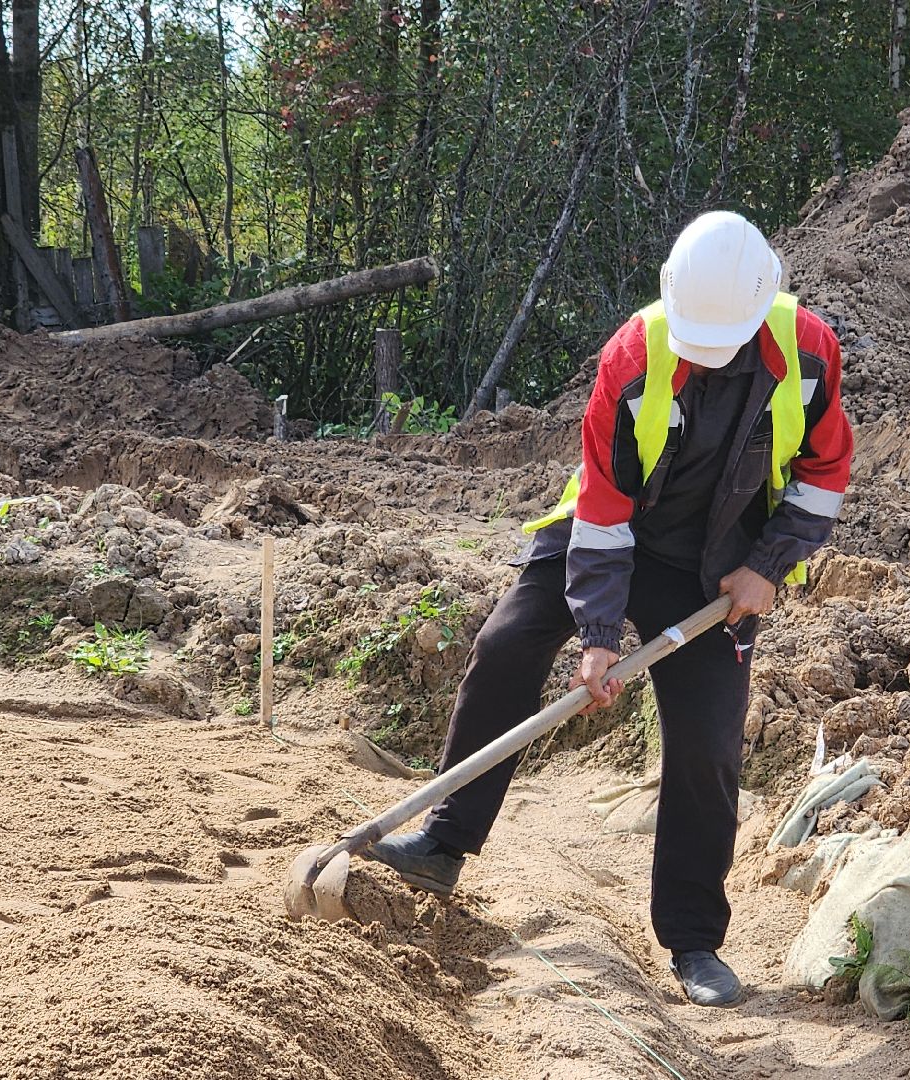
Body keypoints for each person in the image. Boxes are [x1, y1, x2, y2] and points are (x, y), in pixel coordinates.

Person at [362, 211, 855, 1007]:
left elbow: (825, 474)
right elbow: (601, 501)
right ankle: (445, 842)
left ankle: (694, 941)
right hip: (609, 528)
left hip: (718, 565)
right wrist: (596, 631)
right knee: (509, 642)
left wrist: (767, 567)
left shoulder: (809, 352)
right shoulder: (634, 354)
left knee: (708, 741)